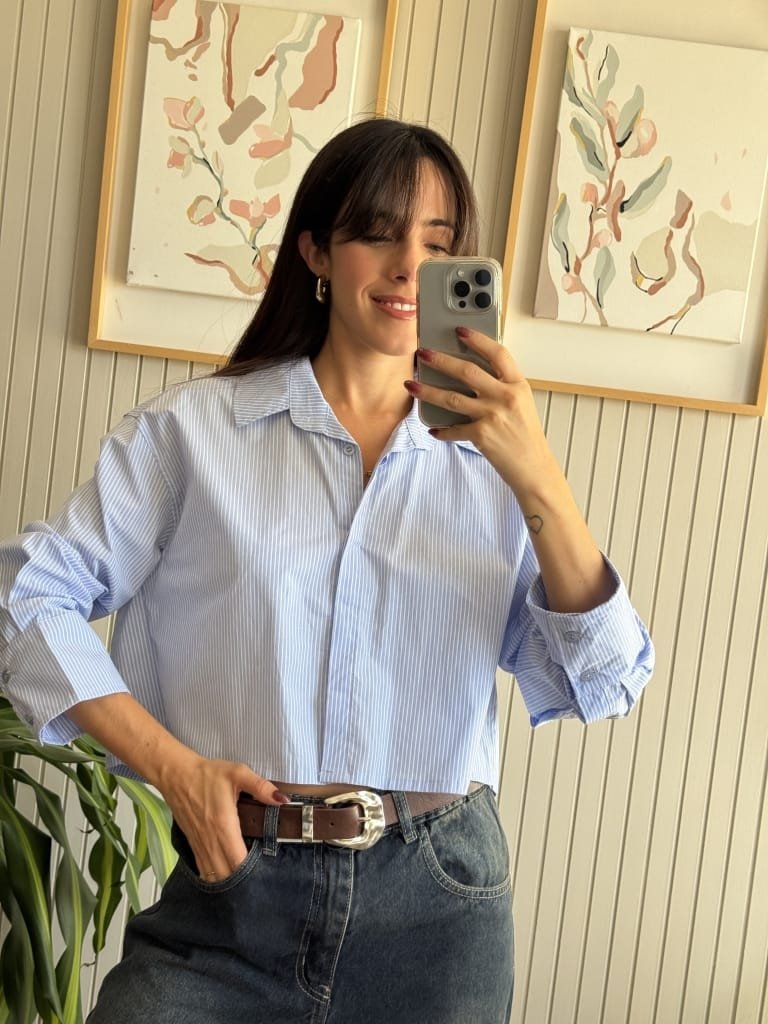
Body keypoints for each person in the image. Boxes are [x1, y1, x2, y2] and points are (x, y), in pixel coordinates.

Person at [0, 117, 653, 1023]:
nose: (407, 267)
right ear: (315, 250)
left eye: (437, 245)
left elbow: (603, 680)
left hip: (437, 908)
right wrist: (173, 768)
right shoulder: (193, 435)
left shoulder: (495, 464)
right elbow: (25, 594)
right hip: (234, 891)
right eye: (378, 233)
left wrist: (536, 470)